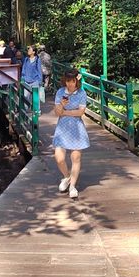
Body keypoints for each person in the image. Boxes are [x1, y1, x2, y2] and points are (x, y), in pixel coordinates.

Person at [52, 69, 89, 199]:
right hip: (62, 128)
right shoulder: (60, 92)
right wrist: (62, 105)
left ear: (76, 81)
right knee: (59, 158)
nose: (70, 84)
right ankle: (67, 177)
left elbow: (81, 112)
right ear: (65, 81)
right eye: (68, 81)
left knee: (76, 158)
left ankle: (72, 186)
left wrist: (65, 112)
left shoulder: (81, 93)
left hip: (77, 128)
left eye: (72, 81)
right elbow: (57, 112)